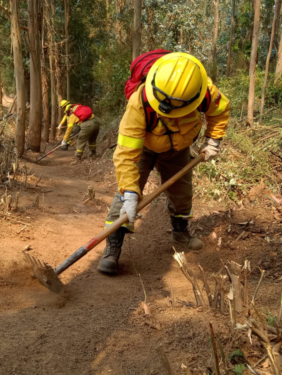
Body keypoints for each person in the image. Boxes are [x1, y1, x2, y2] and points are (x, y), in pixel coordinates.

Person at [97, 51, 230, 275]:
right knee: (124, 198)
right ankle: (113, 247)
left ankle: (180, 233)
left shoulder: (204, 91)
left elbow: (220, 111)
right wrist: (130, 193)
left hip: (179, 149)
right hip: (143, 149)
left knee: (182, 193)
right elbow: (126, 152)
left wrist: (213, 140)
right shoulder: (140, 101)